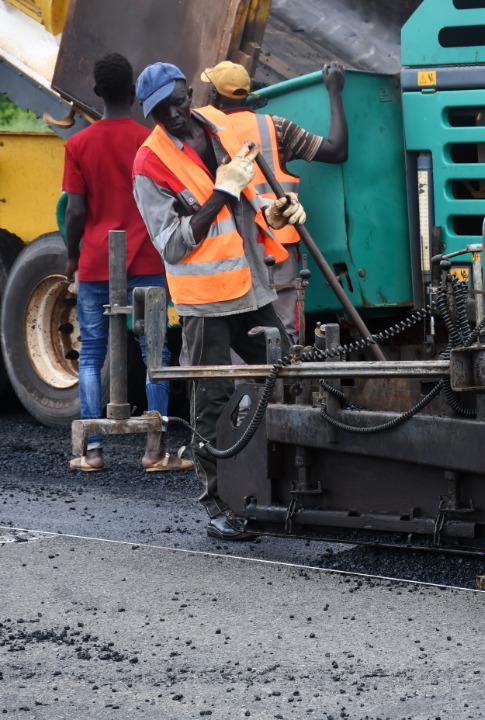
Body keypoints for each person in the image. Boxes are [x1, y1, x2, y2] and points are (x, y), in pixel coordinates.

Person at [131, 62, 305, 541]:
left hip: (251, 288)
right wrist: (219, 192)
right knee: (212, 402)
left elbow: (245, 201)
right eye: (161, 111)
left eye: (177, 102)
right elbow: (171, 244)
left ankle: (291, 486)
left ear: (190, 93)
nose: (173, 115)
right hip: (206, 304)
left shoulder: (218, 128)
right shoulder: (150, 164)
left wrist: (274, 213)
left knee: (289, 374)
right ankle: (216, 505)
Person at [62, 52, 192, 474]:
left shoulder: (78, 144)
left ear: (97, 92)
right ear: (135, 90)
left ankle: (92, 451)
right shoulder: (150, 140)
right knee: (155, 351)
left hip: (98, 263)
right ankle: (155, 451)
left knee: (91, 354)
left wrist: (71, 256)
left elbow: (76, 211)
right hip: (149, 259)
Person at [197, 60, 348, 345]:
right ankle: (283, 386)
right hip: (280, 247)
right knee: (284, 338)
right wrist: (334, 93)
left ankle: (245, 390)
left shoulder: (204, 134)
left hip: (230, 248)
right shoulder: (276, 127)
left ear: (214, 96)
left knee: (236, 335)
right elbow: (336, 150)